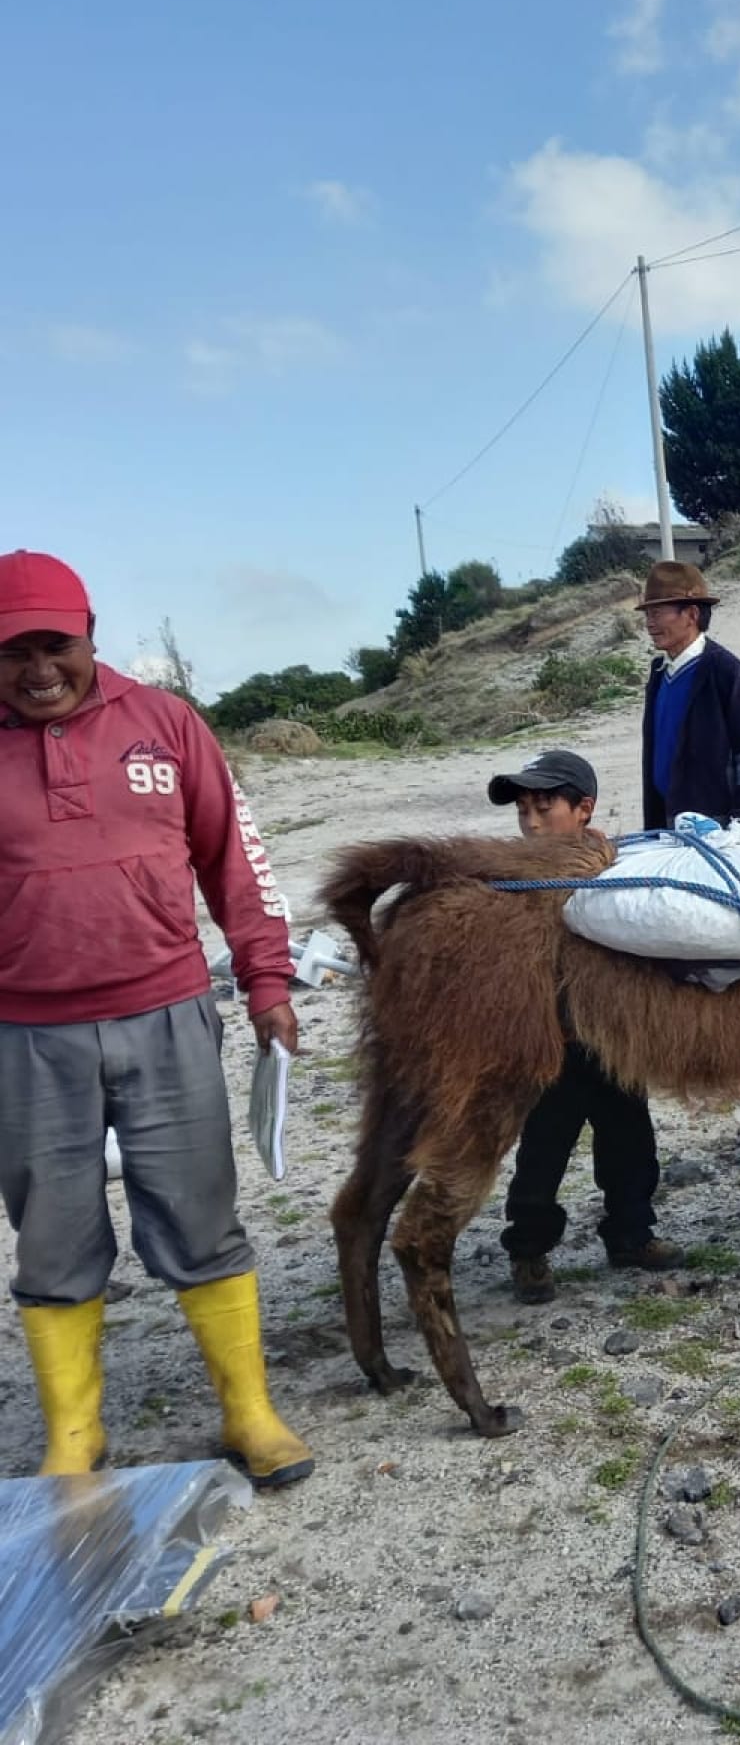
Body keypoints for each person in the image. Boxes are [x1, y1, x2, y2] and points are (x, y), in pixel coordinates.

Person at [0, 551, 311, 1485]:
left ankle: (249, 1414)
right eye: (13, 651)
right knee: (50, 1232)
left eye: (55, 645)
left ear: (92, 637)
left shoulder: (166, 724)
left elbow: (235, 862)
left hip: (168, 1012)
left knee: (199, 1212)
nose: (37, 668)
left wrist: (269, 981)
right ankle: (73, 1438)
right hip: (23, 1037)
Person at [488, 750, 680, 1303]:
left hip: (614, 1038)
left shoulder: (615, 869)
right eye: (522, 810)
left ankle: (630, 1235)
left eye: (543, 808)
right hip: (553, 1045)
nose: (529, 822)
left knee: (631, 1143)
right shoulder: (512, 880)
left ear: (584, 809)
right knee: (543, 1151)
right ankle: (528, 1250)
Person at [638, 563, 740, 832]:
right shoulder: (659, 674)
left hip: (717, 829)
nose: (649, 623)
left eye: (657, 613)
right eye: (647, 614)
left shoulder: (728, 673)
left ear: (691, 614)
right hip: (665, 828)